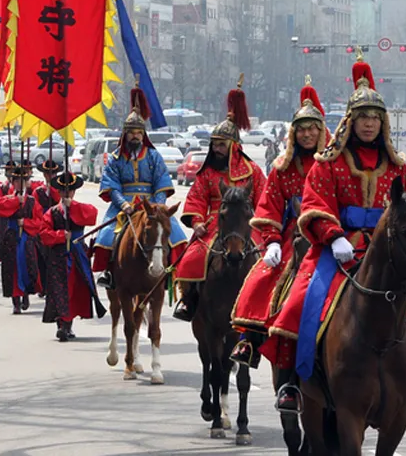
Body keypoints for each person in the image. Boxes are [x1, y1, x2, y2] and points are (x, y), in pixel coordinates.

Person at [261, 52, 406, 430]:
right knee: (301, 300)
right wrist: (332, 237)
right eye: (363, 119)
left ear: (382, 123)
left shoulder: (398, 166)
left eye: (374, 119)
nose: (369, 125)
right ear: (351, 122)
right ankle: (291, 387)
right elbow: (314, 205)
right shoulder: (328, 162)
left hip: (389, 252)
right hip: (339, 248)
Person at [229, 76, 330, 368]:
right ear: (293, 134)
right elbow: (270, 207)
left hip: (332, 234)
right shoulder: (282, 169)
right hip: (292, 235)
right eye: (302, 130)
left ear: (321, 131)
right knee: (262, 276)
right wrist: (272, 241)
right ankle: (248, 338)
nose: (308, 135)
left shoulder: (333, 163)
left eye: (313, 129)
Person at [172, 79, 267, 321]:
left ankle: (266, 303)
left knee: (266, 260)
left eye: (222, 144)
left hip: (247, 224)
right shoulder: (207, 173)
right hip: (213, 222)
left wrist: (260, 223)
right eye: (214, 144)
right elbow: (195, 199)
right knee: (190, 258)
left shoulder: (253, 171)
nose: (216, 149)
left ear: (234, 146)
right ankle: (189, 299)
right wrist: (196, 222)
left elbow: (265, 199)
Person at [93, 84, 187, 288]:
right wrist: (123, 204)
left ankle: (173, 274)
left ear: (143, 134)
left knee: (177, 235)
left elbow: (161, 183)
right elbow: (112, 185)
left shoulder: (154, 156)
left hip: (151, 205)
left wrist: (157, 207)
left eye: (138, 133)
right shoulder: (116, 158)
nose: (135, 136)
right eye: (131, 133)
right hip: (124, 205)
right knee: (107, 236)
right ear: (125, 134)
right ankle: (108, 273)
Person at [40, 172, 104, 341]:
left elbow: (92, 216)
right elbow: (44, 235)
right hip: (58, 256)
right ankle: (61, 324)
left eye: (69, 191)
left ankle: (68, 325)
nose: (66, 194)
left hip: (77, 255)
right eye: (63, 191)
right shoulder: (52, 212)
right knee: (59, 289)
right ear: (59, 192)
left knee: (75, 289)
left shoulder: (81, 207)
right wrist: (61, 235)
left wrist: (73, 207)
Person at [0, 166, 44, 314]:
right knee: (12, 268)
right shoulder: (7, 198)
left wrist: (26, 223)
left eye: (23, 181)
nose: (20, 184)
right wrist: (16, 201)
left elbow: (40, 221)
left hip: (27, 237)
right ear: (13, 182)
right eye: (17, 181)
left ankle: (26, 293)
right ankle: (15, 300)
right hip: (11, 237)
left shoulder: (32, 201)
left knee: (27, 266)